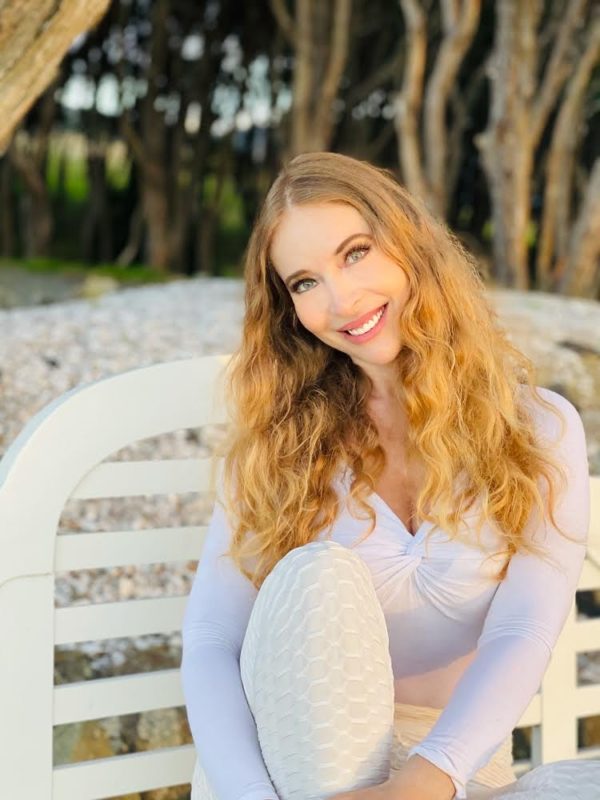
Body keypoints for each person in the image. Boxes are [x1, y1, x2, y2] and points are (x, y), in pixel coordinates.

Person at [180, 151, 596, 800]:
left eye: (355, 253)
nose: (340, 300)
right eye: (304, 283)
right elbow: (212, 641)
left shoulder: (537, 430)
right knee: (320, 577)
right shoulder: (278, 446)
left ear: (411, 244)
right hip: (291, 763)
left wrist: (424, 782)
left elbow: (523, 630)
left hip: (449, 766)